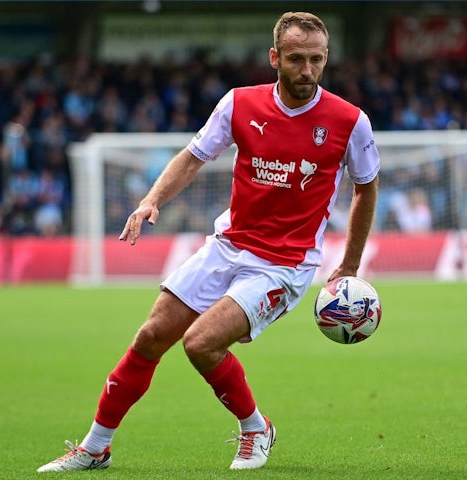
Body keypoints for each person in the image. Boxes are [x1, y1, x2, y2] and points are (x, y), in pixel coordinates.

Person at [37, 11, 380, 473]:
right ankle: (95, 447)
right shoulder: (239, 104)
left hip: (283, 265)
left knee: (199, 343)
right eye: (296, 59)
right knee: (150, 337)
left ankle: (256, 428)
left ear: (326, 58)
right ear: (274, 58)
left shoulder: (349, 121)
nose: (307, 70)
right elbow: (194, 156)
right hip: (227, 245)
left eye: (316, 59)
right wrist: (150, 200)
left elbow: (365, 187)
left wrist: (350, 265)